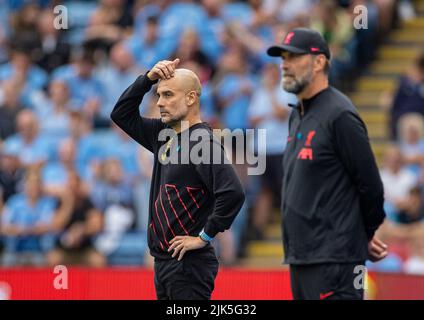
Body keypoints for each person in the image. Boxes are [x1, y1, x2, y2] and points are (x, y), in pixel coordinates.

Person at [266, 28, 387, 300]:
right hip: (302, 258)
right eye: (283, 57)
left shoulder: (340, 115)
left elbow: (371, 186)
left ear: (319, 62)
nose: (284, 64)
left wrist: (363, 235)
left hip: (336, 261)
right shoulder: (297, 114)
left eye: (293, 57)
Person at [110, 58, 245, 300]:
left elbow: (233, 192)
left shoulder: (202, 140)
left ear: (191, 98)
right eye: (159, 95)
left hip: (188, 266)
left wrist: (204, 236)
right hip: (164, 264)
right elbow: (120, 114)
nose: (160, 102)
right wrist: (147, 79)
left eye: (168, 95)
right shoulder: (164, 135)